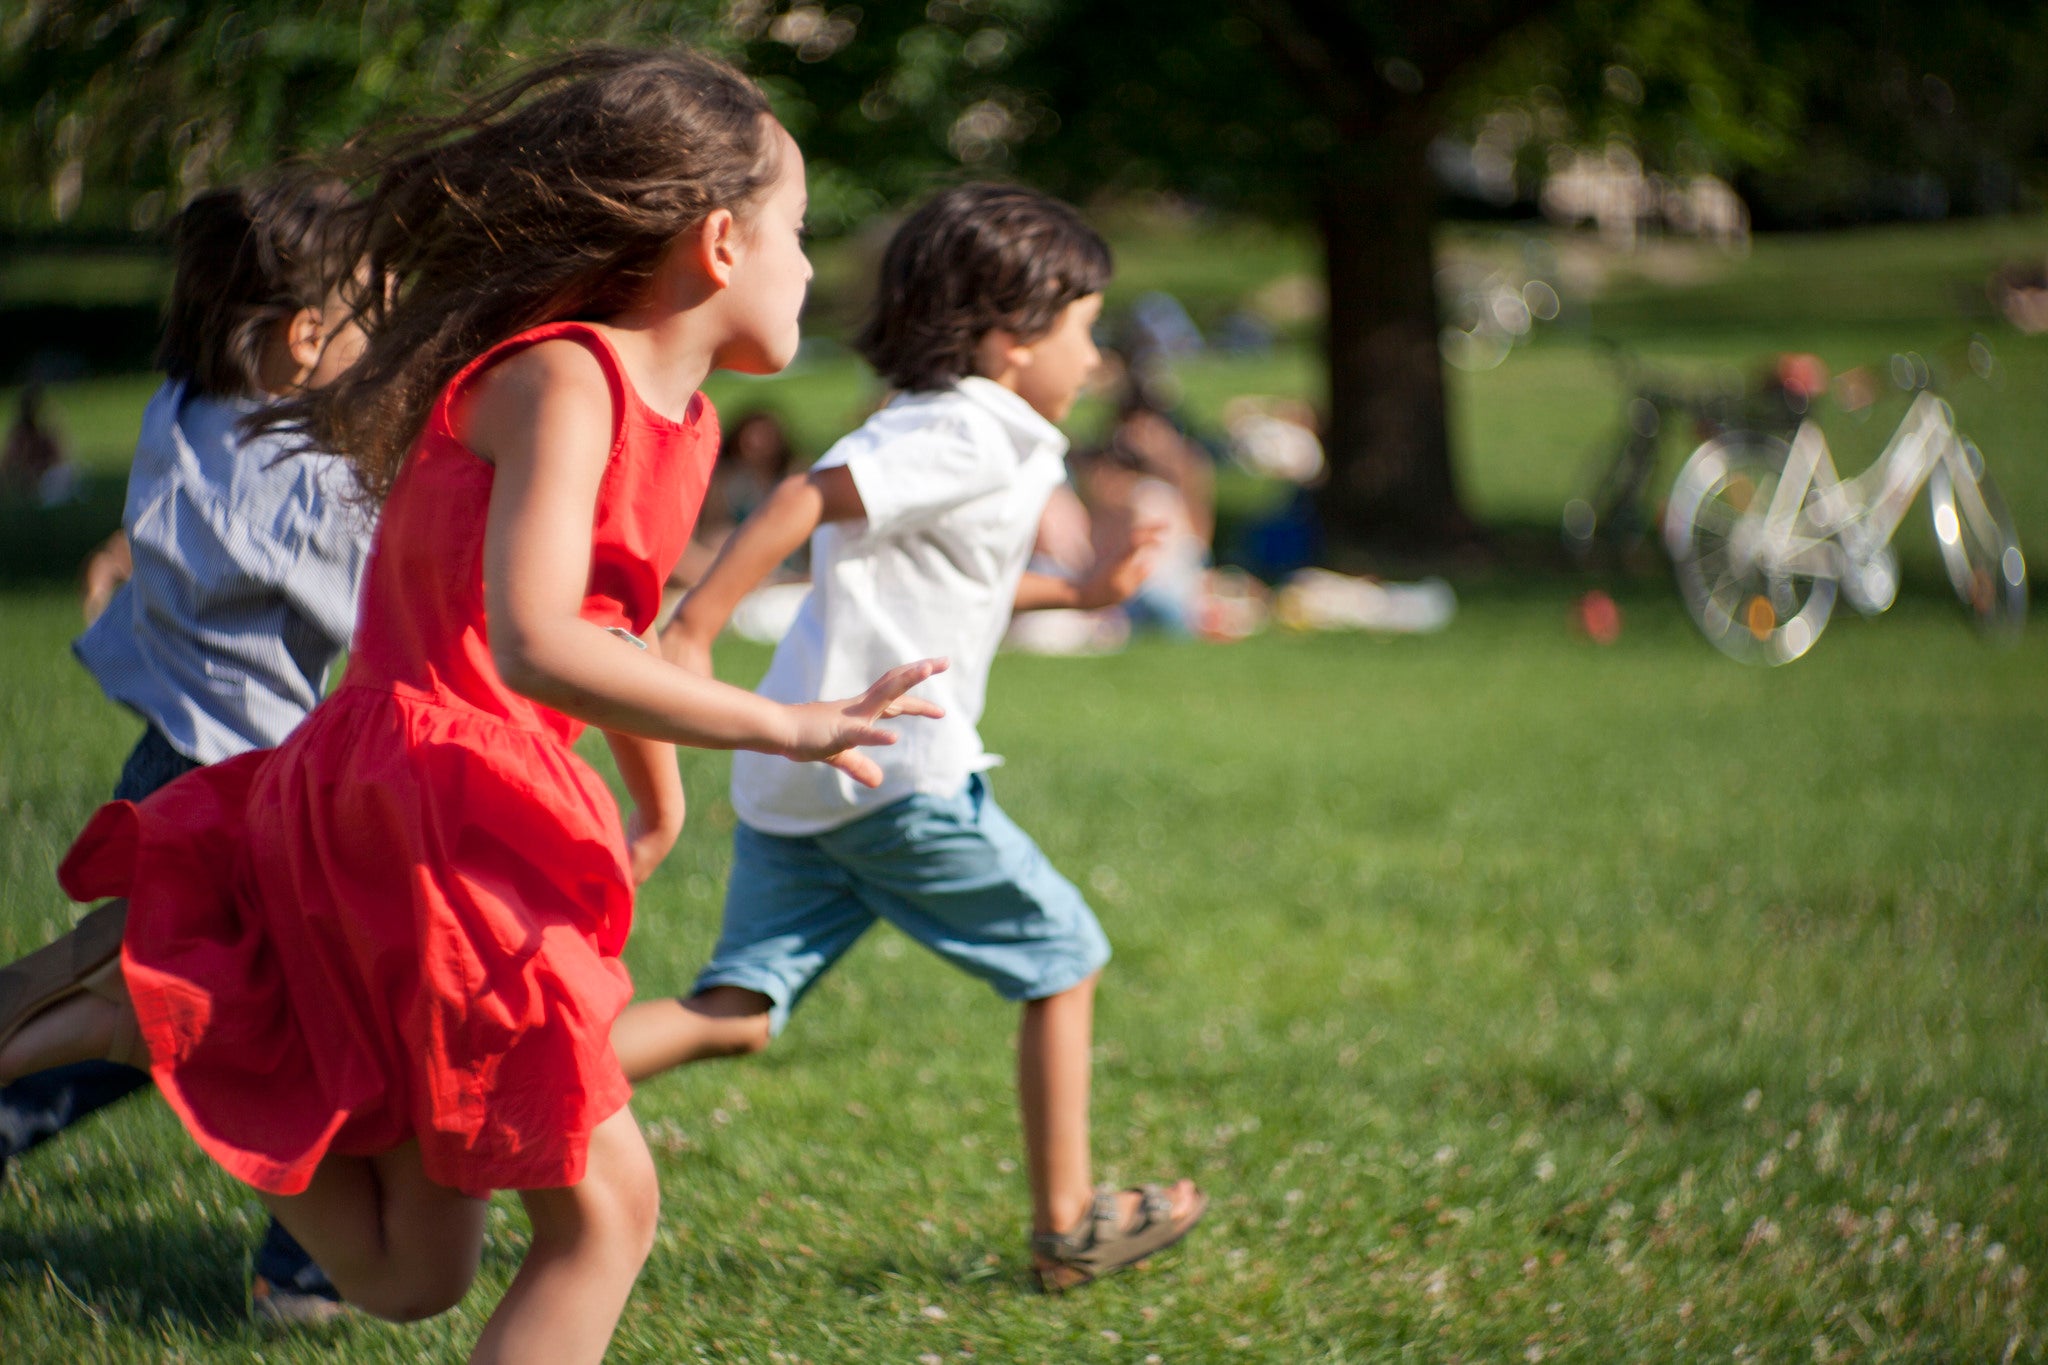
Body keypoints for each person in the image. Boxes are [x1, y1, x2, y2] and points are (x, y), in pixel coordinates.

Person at [0, 48, 940, 1365]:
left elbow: (614, 634)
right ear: (722, 243)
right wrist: (787, 725)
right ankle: (165, 1012)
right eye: (799, 231)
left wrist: (655, 792)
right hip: (432, 800)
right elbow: (538, 638)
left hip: (469, 802)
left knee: (407, 1273)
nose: (807, 265)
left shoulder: (689, 422)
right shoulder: (562, 381)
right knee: (605, 1215)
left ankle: (173, 1025)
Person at [611, 181, 1207, 1293]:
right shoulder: (967, 429)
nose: (1096, 360)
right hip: (891, 772)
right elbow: (799, 500)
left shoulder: (953, 426)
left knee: (733, 1013)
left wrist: (1076, 594)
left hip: (801, 784)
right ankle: (1066, 1228)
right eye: (1082, 331)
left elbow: (954, 583)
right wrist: (688, 632)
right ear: (1006, 339)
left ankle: (485, 1098)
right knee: (1064, 958)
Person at [0, 175, 373, 1326]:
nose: (387, 334)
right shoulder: (315, 481)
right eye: (375, 310)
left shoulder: (178, 403)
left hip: (167, 770)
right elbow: (386, 604)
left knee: (158, 997)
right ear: (305, 338)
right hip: (251, 792)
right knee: (318, 1016)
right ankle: (303, 1273)